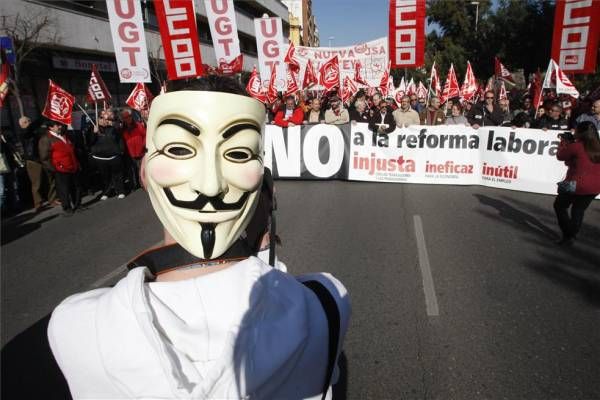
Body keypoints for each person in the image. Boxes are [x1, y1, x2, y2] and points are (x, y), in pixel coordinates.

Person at [48, 75, 350, 400]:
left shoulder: (76, 326)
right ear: (268, 188)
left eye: (236, 154)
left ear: (143, 175)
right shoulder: (326, 303)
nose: (209, 186)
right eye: (179, 149)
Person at [553, 121, 600, 245]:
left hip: (578, 185)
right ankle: (571, 235)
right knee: (578, 210)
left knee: (560, 206)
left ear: (581, 133)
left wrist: (563, 143)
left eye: (577, 130)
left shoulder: (577, 146)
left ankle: (569, 234)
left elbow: (560, 155)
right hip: (595, 187)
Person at [38, 120, 80, 216]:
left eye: (60, 125)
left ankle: (77, 204)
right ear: (51, 128)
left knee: (75, 187)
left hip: (72, 166)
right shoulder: (46, 139)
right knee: (64, 189)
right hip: (60, 168)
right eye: (57, 126)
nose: (60, 127)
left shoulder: (63, 135)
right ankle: (67, 207)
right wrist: (54, 168)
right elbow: (44, 157)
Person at [18, 116, 57, 211]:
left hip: (43, 157)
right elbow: (30, 130)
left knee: (50, 178)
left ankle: (53, 199)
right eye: (26, 122)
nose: (29, 122)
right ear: (21, 125)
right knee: (37, 182)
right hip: (33, 160)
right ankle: (38, 203)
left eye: (29, 120)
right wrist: (41, 117)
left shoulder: (37, 131)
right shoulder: (24, 133)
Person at [90, 109, 126, 200]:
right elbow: (90, 141)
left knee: (117, 174)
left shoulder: (115, 124)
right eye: (102, 116)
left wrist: (110, 123)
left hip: (114, 154)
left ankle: (120, 190)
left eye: (107, 114)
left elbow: (120, 127)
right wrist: (94, 133)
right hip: (100, 156)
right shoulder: (95, 126)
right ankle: (106, 192)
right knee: (105, 177)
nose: (104, 117)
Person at [120, 108, 146, 190]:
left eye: (129, 116)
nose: (128, 118)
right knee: (132, 170)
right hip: (130, 153)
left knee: (141, 169)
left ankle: (143, 183)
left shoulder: (138, 125)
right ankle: (134, 185)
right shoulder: (122, 129)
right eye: (125, 117)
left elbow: (145, 135)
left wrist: (144, 145)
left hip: (140, 151)